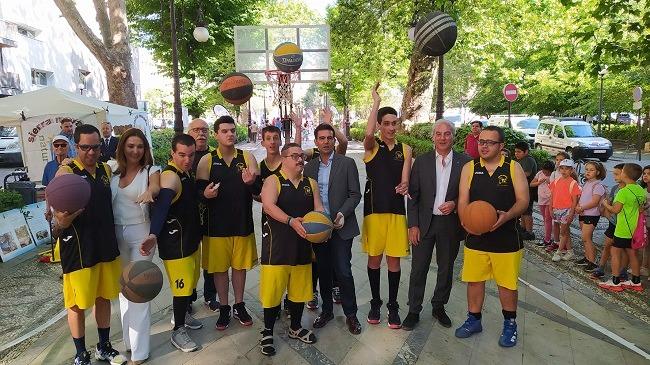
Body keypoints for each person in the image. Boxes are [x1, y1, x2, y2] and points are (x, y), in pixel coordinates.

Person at [52, 124, 125, 365]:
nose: (91, 152)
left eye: (95, 147)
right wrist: (65, 218)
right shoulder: (66, 173)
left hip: (105, 243)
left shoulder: (105, 169)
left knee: (104, 297)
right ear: (76, 146)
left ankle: (104, 346)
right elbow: (58, 220)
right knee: (77, 304)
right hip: (78, 247)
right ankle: (80, 352)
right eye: (85, 147)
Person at [455, 125, 529, 347]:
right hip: (476, 236)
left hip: (506, 237)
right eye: (481, 142)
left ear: (501, 146)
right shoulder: (470, 167)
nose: (484, 145)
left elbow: (523, 201)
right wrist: (465, 221)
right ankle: (474, 319)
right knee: (474, 281)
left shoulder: (513, 168)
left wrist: (508, 216)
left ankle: (510, 324)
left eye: (490, 142)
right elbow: (462, 200)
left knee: (506, 284)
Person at [403, 119, 470, 331]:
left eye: (447, 134)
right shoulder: (421, 161)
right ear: (433, 137)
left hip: (449, 225)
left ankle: (439, 306)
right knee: (418, 269)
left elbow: (471, 195)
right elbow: (413, 195)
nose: (442, 138)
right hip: (423, 225)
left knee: (446, 268)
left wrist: (456, 204)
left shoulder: (466, 162)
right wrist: (412, 225)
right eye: (438, 134)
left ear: (453, 137)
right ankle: (414, 310)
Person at [140, 134, 203, 352]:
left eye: (191, 155)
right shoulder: (170, 177)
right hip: (177, 245)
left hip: (191, 241)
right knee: (182, 289)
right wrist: (153, 234)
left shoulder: (185, 172)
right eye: (182, 155)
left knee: (191, 283)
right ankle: (178, 331)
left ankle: (183, 316)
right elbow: (162, 206)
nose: (187, 159)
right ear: (172, 154)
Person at [259, 143, 323, 356]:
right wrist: (290, 221)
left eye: (302, 156)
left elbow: (319, 210)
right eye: (294, 156)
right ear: (284, 158)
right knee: (272, 292)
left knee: (299, 291)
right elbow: (268, 206)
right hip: (276, 247)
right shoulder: (273, 180)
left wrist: (328, 223)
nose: (300, 160)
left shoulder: (310, 183)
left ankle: (295, 327)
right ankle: (267, 331)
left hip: (302, 245)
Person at [196, 116, 259, 330]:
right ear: (216, 134)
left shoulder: (247, 157)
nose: (230, 134)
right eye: (224, 131)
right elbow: (199, 192)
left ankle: (239, 304)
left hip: (242, 222)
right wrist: (205, 193)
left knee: (240, 268)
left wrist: (251, 183)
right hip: (216, 226)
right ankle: (224, 307)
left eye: (232, 130)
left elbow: (258, 191)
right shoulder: (207, 160)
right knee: (220, 270)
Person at [361, 82, 412, 329]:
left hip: (396, 212)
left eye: (395, 123)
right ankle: (375, 302)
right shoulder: (372, 148)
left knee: (394, 261)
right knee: (374, 260)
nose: (391, 127)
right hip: (374, 212)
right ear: (380, 124)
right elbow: (368, 134)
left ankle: (393, 306)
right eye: (387, 123)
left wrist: (404, 185)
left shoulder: (406, 149)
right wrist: (376, 104)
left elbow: (405, 178)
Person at [304, 123, 363, 334]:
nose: (326, 141)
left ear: (334, 140)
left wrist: (342, 214)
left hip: (341, 226)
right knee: (323, 271)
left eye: (330, 138)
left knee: (343, 271)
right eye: (322, 138)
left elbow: (355, 194)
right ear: (316, 141)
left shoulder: (347, 163)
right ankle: (327, 310)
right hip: (319, 229)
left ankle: (351, 314)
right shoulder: (309, 167)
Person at [111, 128, 160, 365]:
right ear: (122, 147)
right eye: (130, 146)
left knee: (139, 290)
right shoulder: (112, 171)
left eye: (140, 146)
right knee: (123, 290)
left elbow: (155, 187)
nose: (135, 150)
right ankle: (129, 343)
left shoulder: (151, 170)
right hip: (116, 233)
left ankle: (140, 351)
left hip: (141, 233)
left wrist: (150, 192)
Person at [187, 118, 219, 312]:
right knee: (190, 259)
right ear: (189, 132)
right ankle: (188, 298)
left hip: (211, 214)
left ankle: (210, 295)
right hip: (187, 217)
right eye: (196, 130)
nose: (201, 133)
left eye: (204, 130)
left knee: (210, 258)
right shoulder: (182, 155)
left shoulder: (215, 156)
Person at [599, 163, 646, 292]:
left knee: (615, 253)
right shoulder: (640, 190)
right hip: (634, 228)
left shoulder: (623, 192)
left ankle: (615, 281)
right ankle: (636, 281)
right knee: (632, 254)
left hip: (622, 228)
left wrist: (605, 204)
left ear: (625, 174)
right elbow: (641, 208)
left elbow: (615, 210)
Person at [592, 164, 629, 279]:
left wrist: (607, 206)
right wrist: (609, 216)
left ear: (625, 174)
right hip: (613, 223)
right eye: (614, 173)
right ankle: (601, 267)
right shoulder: (614, 188)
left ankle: (623, 270)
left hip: (625, 225)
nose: (614, 176)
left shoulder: (630, 189)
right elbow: (609, 203)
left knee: (623, 249)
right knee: (607, 245)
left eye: (617, 174)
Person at [575, 161, 606, 271]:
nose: (588, 172)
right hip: (584, 213)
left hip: (592, 214)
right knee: (586, 238)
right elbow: (583, 197)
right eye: (587, 169)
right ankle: (587, 257)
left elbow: (594, 202)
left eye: (591, 170)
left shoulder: (598, 186)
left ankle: (592, 261)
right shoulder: (587, 183)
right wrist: (579, 206)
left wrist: (581, 207)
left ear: (598, 172)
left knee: (586, 237)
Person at [549, 159, 581, 262]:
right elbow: (552, 196)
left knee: (562, 232)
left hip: (567, 210)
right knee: (565, 232)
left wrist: (571, 213)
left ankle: (559, 251)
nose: (564, 171)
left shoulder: (573, 183)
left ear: (571, 170)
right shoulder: (557, 181)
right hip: (557, 209)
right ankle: (570, 251)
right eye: (562, 168)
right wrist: (550, 208)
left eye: (567, 169)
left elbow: (574, 201)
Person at [547, 151, 570, 252]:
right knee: (555, 224)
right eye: (557, 160)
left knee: (564, 226)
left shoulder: (570, 175)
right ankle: (556, 242)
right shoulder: (554, 173)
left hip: (566, 205)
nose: (558, 162)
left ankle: (564, 244)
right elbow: (552, 189)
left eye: (561, 160)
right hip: (556, 203)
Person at [513, 141, 537, 240]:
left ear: (526, 152)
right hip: (521, 188)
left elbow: (526, 173)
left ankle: (529, 232)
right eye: (515, 152)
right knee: (523, 210)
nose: (516, 154)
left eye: (519, 152)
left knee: (527, 212)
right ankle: (523, 228)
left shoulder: (528, 160)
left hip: (528, 189)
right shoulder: (520, 160)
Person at [530, 161, 555, 248]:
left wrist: (550, 182)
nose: (545, 173)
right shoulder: (540, 173)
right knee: (545, 219)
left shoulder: (554, 175)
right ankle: (549, 236)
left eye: (547, 172)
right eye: (544, 171)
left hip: (550, 200)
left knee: (548, 219)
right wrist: (539, 182)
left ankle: (547, 239)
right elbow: (531, 184)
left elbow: (557, 187)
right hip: (541, 199)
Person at [641, 165, 650, 278]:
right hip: (645, 222)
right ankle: (645, 267)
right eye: (644, 173)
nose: (645, 176)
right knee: (646, 245)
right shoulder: (642, 190)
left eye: (648, 174)